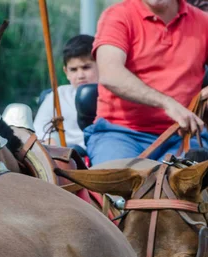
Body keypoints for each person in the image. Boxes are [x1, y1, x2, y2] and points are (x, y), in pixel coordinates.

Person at [84, 0, 208, 164]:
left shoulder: (203, 21)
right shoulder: (118, 15)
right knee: (116, 185)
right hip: (120, 134)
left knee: (191, 182)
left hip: (183, 135)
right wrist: (167, 103)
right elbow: (110, 73)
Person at [33, 34, 98, 150]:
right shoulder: (57, 96)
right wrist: (51, 141)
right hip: (66, 157)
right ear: (66, 72)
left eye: (86, 67)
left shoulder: (114, 96)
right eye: (73, 70)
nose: (80, 76)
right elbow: (38, 130)